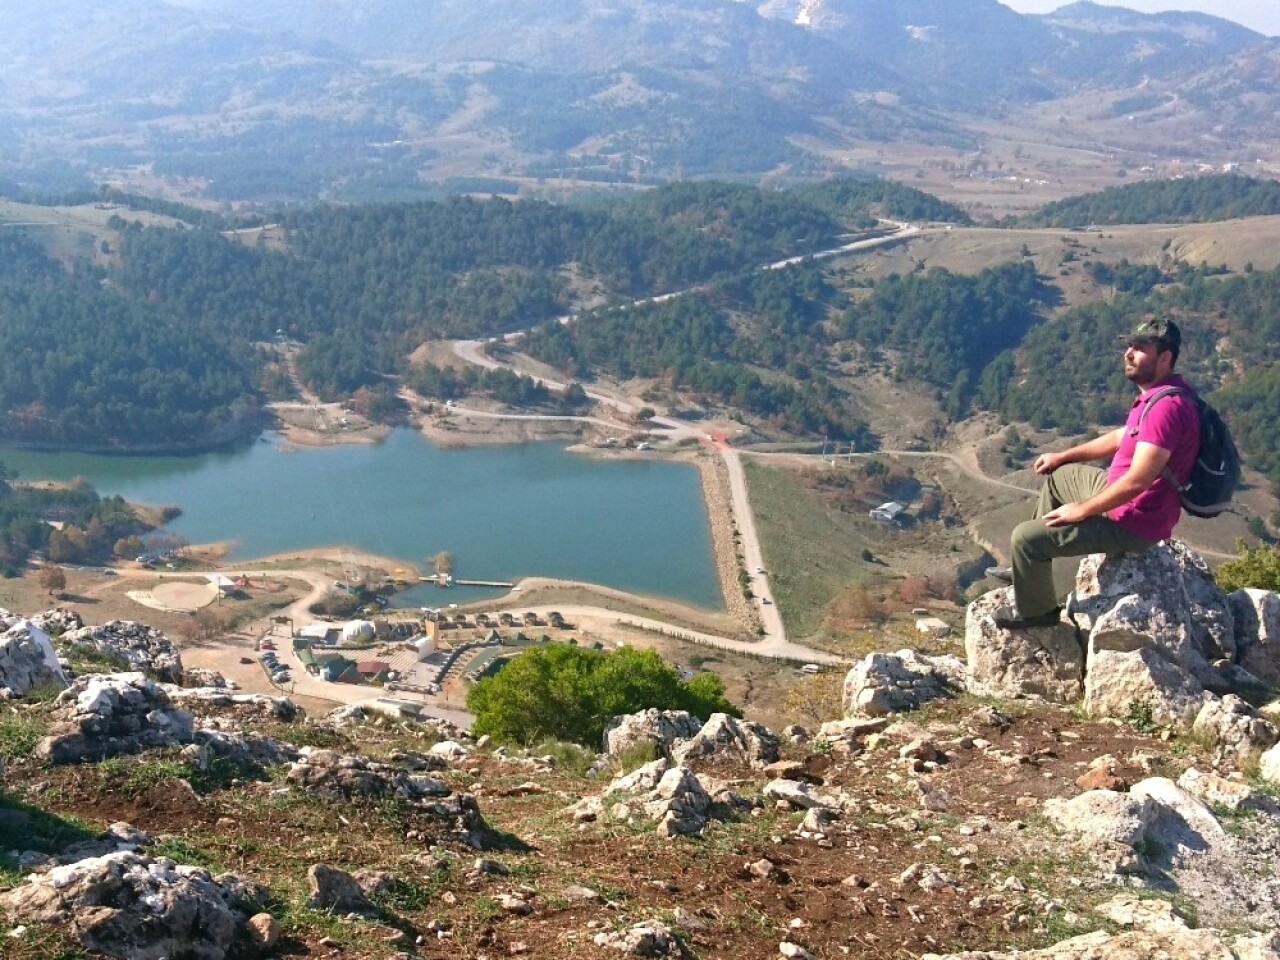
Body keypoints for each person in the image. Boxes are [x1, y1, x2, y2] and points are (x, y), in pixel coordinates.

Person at [989, 317, 1201, 630]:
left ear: (1165, 358)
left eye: (1140, 348)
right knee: (1061, 476)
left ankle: (1038, 614)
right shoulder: (1159, 394)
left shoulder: (1165, 408)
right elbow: (1122, 436)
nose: (1128, 353)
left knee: (1024, 539)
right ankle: (1028, 573)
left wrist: (1083, 510)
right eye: (1129, 346)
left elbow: (1139, 480)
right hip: (1125, 500)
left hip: (1133, 522)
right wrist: (1063, 455)